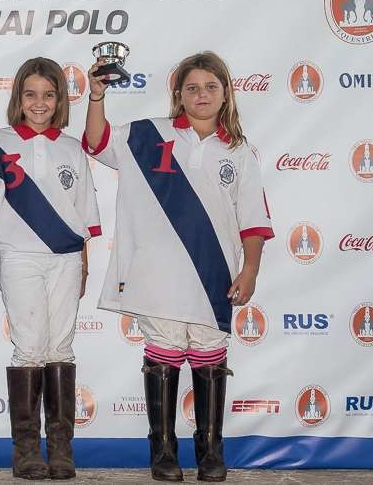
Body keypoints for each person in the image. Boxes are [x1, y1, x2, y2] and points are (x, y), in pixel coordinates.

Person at [83, 51, 273, 483]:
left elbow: (254, 221)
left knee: (209, 355)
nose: (201, 94)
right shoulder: (150, 135)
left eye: (210, 86)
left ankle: (210, 451)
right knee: (164, 355)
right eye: (192, 88)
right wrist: (96, 96)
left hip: (214, 274)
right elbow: (96, 142)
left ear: (225, 93)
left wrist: (251, 271)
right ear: (178, 95)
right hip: (158, 274)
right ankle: (163, 452)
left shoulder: (239, 151)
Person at [0, 58, 100, 480]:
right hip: (19, 254)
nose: (40, 103)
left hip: (66, 258)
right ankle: (26, 448)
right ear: (18, 98)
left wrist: (84, 265)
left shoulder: (71, 147)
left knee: (61, 347)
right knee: (29, 347)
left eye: (49, 95)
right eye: (31, 94)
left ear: (59, 101)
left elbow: (84, 214)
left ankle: (60, 447)